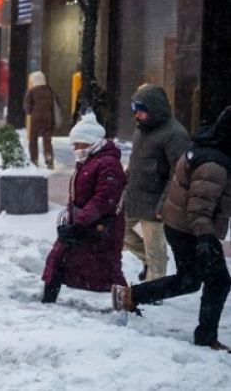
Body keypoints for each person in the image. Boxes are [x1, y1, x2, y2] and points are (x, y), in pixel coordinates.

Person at [112, 105, 231, 353]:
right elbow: (199, 207)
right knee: (218, 281)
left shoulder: (209, 144)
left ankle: (129, 296)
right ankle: (206, 338)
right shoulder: (215, 164)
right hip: (192, 229)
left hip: (181, 225)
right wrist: (206, 239)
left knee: (188, 280)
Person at [41, 113, 128, 303]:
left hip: (102, 227)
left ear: (89, 142)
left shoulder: (108, 164)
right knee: (58, 260)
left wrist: (79, 223)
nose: (74, 148)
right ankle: (47, 302)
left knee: (109, 268)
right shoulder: (90, 161)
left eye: (77, 144)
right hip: (84, 224)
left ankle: (127, 305)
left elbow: (104, 198)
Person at [123, 84, 190, 282]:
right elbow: (136, 161)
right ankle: (148, 263)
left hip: (156, 200)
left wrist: (164, 204)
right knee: (119, 232)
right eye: (135, 111)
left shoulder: (175, 134)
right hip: (134, 195)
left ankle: (155, 286)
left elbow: (178, 174)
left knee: (156, 249)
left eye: (141, 112)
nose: (137, 116)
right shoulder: (141, 130)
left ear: (154, 110)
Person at [23, 71, 56, 169]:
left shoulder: (32, 91)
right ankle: (49, 159)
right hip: (48, 118)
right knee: (47, 141)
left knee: (33, 139)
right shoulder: (49, 90)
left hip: (36, 119)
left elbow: (27, 106)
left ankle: (34, 160)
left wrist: (32, 112)